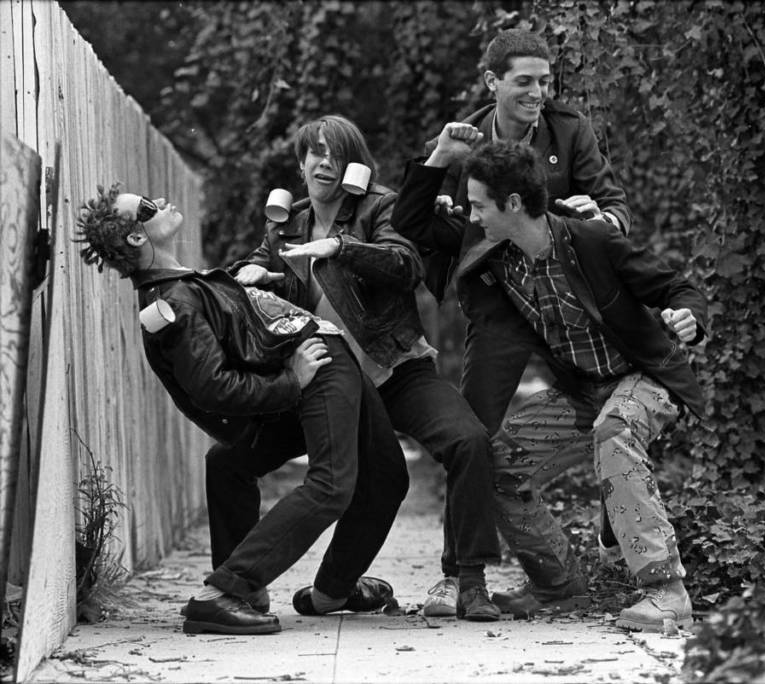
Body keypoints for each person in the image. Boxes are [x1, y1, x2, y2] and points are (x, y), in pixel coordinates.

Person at [392, 125, 708, 633]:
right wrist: (438, 157)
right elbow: (410, 223)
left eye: (478, 205)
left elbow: (677, 286)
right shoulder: (493, 247)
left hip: (642, 379)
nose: (470, 215)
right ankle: (559, 587)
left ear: (513, 203)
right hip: (583, 390)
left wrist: (687, 318)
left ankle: (667, 593)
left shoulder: (591, 239)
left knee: (616, 430)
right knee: (495, 465)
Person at [74, 184, 407, 634]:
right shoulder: (173, 304)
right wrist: (293, 380)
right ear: (136, 237)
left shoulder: (179, 286)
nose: (164, 202)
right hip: (314, 367)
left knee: (380, 474)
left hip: (319, 360)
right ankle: (226, 590)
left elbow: (237, 337)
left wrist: (258, 285)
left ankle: (329, 590)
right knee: (332, 485)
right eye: (149, 207)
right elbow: (215, 387)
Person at [230, 115, 501, 621]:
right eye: (316, 152)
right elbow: (260, 283)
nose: (325, 162)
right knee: (234, 461)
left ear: (353, 165)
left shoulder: (380, 207)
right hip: (328, 384)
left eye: (336, 154)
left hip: (394, 368)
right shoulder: (284, 225)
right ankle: (252, 591)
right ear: (302, 162)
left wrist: (341, 247)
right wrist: (249, 274)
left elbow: (405, 265)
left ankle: (470, 579)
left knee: (469, 441)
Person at [422, 28, 634, 436]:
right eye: (524, 81)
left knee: (614, 423)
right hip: (498, 303)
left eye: (543, 81)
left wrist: (601, 221)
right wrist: (443, 210)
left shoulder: (571, 129)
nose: (537, 92)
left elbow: (616, 207)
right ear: (492, 82)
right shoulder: (457, 141)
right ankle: (473, 498)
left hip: (569, 300)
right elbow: (426, 221)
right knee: (474, 435)